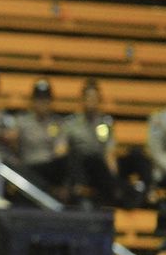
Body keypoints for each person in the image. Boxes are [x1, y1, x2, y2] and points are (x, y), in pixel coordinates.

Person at [64, 78, 119, 207]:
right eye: (88, 97)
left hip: (98, 169)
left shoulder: (105, 123)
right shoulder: (71, 123)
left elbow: (109, 153)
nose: (91, 101)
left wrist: (114, 178)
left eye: (94, 97)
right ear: (82, 99)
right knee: (75, 157)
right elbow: (63, 151)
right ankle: (79, 193)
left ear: (99, 100)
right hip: (78, 168)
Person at [13, 78, 69, 202]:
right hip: (29, 166)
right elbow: (14, 146)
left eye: (46, 99)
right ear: (33, 100)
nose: (42, 103)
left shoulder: (57, 124)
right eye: (39, 99)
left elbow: (61, 150)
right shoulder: (22, 122)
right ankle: (50, 190)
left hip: (50, 168)